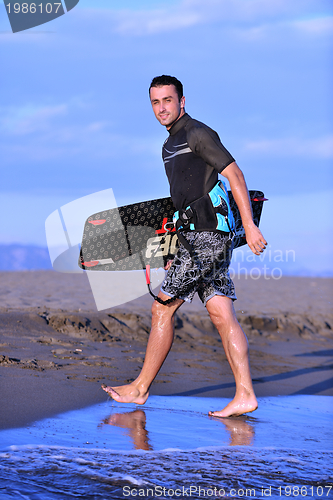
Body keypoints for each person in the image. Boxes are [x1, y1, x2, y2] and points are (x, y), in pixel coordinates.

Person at [102, 75, 267, 417]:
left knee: (162, 307)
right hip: (197, 236)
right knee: (221, 313)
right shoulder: (168, 145)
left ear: (182, 101)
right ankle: (245, 395)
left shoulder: (197, 134)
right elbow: (183, 201)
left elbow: (234, 175)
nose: (161, 108)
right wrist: (172, 250)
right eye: (155, 102)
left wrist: (249, 226)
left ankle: (140, 388)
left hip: (208, 234)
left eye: (167, 100)